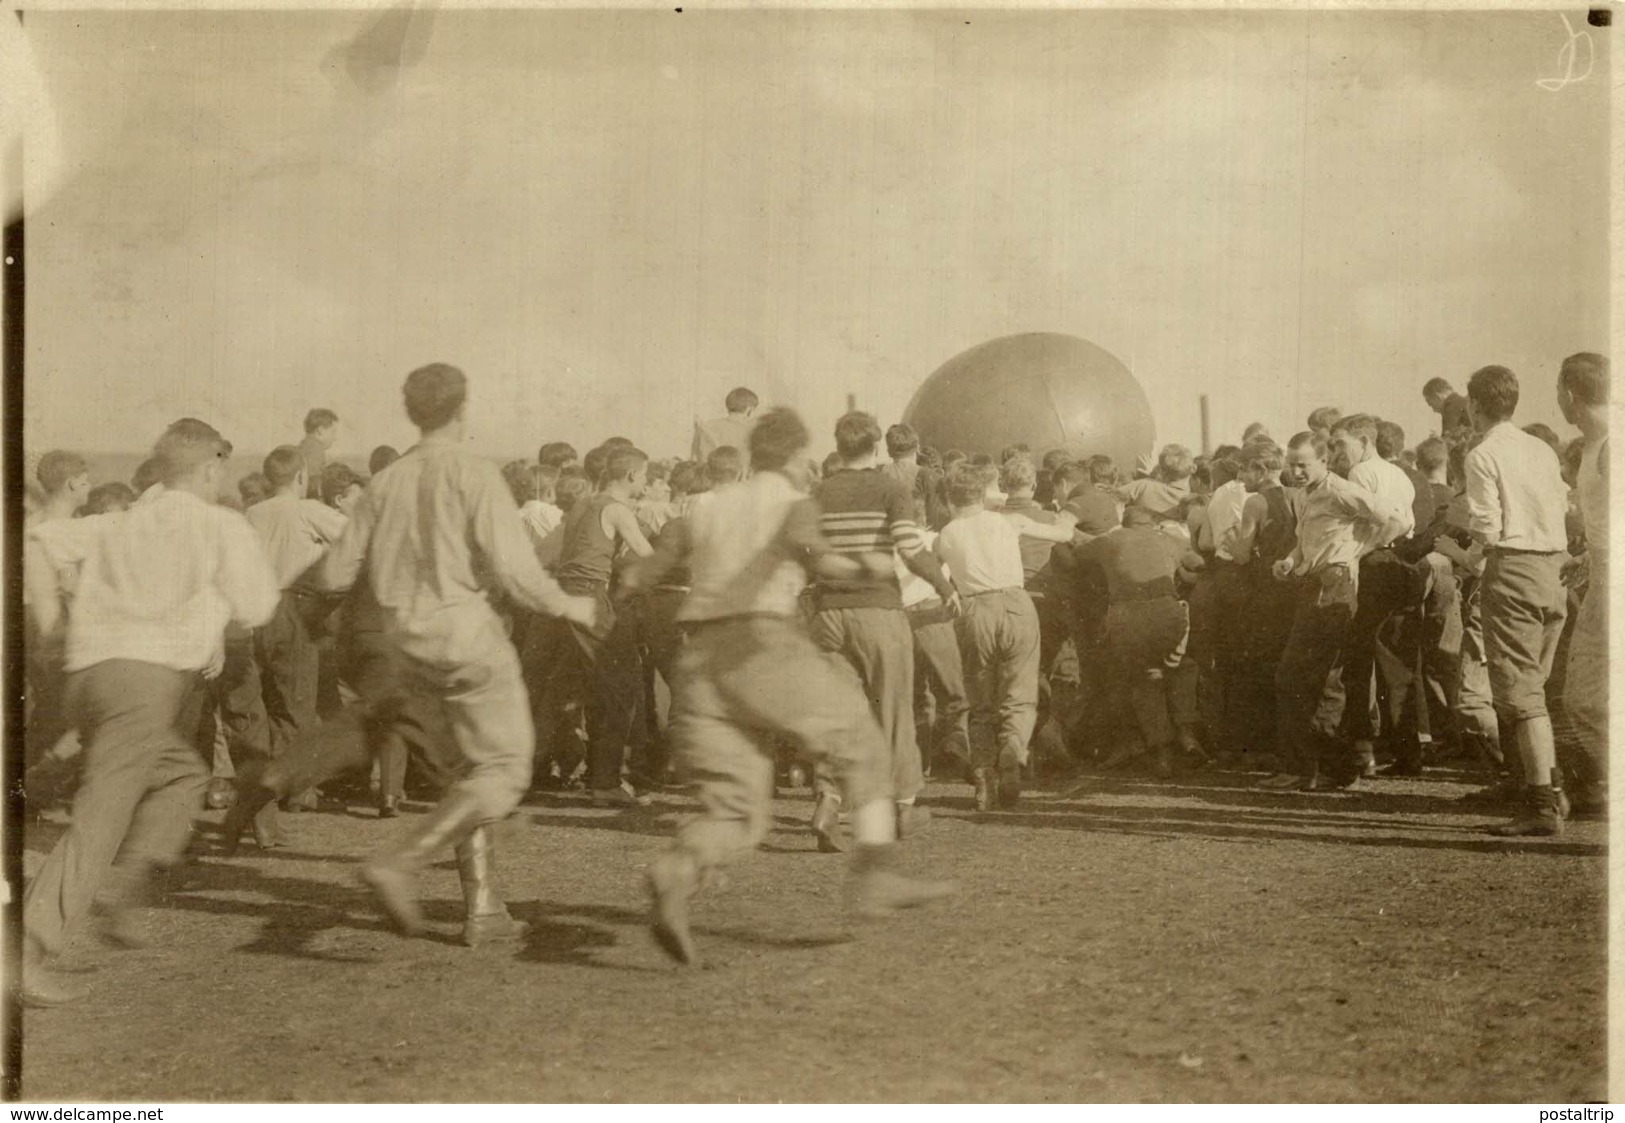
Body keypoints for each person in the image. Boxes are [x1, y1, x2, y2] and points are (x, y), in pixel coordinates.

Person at [623, 407, 955, 967]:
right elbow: (819, 553)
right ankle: (873, 874)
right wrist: (866, 566)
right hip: (759, 643)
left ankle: (676, 871)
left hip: (697, 660)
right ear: (799, 457)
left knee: (738, 811)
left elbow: (648, 567)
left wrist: (631, 586)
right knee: (863, 741)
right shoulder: (789, 502)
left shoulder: (702, 504)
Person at [316, 363, 597, 943]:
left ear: (411, 411)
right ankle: (404, 859)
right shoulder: (474, 473)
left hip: (404, 645)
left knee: (466, 774)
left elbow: (332, 574)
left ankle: (485, 908)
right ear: (464, 411)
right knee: (504, 770)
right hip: (466, 636)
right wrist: (574, 608)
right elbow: (519, 575)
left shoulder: (384, 482)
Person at [21, 420, 280, 1006]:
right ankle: (25, 952)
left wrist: (48, 627)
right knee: (100, 821)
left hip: (86, 681)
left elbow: (37, 543)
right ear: (211, 469)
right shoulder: (219, 525)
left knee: (183, 775)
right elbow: (260, 607)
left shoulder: (122, 520)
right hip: (144, 686)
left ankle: (130, 890)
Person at [807, 412, 958, 849]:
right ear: (875, 447)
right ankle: (904, 806)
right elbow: (910, 549)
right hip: (877, 610)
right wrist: (945, 586)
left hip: (827, 614)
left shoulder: (818, 492)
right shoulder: (891, 488)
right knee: (894, 710)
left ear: (838, 446)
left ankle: (828, 801)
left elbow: (807, 552)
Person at [1259, 431, 1408, 791]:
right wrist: (1288, 561)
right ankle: (1314, 766)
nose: (1294, 471)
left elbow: (1398, 519)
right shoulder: (1302, 494)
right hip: (1313, 584)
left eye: (1303, 464)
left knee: (1321, 677)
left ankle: (1326, 768)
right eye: (1290, 464)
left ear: (1324, 461)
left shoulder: (1340, 490)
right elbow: (1304, 542)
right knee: (1298, 677)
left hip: (1336, 586)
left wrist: (1358, 550)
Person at [1459, 366, 1573, 836]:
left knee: (1521, 694)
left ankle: (1542, 805)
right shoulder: (1541, 447)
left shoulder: (1483, 453)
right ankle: (1548, 785)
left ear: (1474, 404)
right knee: (1536, 688)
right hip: (1555, 570)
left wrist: (1462, 555)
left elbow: (1486, 530)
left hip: (1515, 567)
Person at [935, 463, 1076, 810]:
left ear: (948, 500)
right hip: (1017, 604)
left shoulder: (945, 535)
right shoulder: (1009, 521)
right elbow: (1064, 535)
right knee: (1020, 694)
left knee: (980, 700)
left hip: (974, 610)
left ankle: (984, 771)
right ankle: (1013, 753)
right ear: (982, 493)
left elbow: (930, 575)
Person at [536, 445, 656, 806]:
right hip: (591, 600)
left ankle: (528, 775)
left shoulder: (583, 504)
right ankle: (605, 781)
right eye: (645, 475)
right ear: (633, 475)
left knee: (564, 693)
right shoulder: (617, 510)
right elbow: (651, 561)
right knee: (623, 686)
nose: (646, 482)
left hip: (563, 600)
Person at [245, 446, 349, 822]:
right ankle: (297, 789)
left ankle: (273, 783)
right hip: (295, 607)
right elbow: (356, 539)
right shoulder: (308, 511)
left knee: (269, 698)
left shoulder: (252, 513)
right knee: (298, 701)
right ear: (302, 477)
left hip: (258, 609)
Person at [1326, 414, 1417, 777]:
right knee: (1397, 665)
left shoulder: (1361, 475)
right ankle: (1407, 753)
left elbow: (1389, 521)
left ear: (1365, 442)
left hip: (1375, 564)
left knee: (1358, 660)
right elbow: (1407, 522)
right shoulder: (1400, 474)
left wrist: (1361, 551)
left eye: (1340, 444)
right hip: (1401, 565)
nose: (1335, 452)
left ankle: (1362, 750)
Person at [1075, 507, 1192, 778]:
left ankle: (1154, 748)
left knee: (1136, 679)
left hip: (1129, 615)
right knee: (1175, 668)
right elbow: (1195, 562)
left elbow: (1077, 554)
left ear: (1123, 524)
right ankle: (1186, 734)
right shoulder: (1170, 540)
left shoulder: (1111, 540)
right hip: (1171, 614)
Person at [1554, 352, 1609, 817]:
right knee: (1583, 701)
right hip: (1604, 578)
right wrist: (1591, 555)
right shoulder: (1594, 445)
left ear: (1570, 393)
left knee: (1586, 701)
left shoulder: (1614, 442)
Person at [1226, 440, 1297, 767]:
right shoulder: (1296, 496)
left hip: (1264, 590)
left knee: (1257, 665)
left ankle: (1260, 746)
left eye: (1243, 469)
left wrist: (1230, 540)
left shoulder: (1256, 501)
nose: (1240, 477)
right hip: (1293, 587)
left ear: (1258, 468)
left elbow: (1241, 555)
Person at [691, 386, 758, 464]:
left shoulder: (706, 427)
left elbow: (697, 460)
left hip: (711, 474)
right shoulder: (753, 431)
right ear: (749, 409)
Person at [299, 408, 340, 500]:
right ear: (320, 430)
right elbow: (313, 482)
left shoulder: (305, 445)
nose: (335, 438)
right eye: (333, 432)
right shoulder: (316, 448)